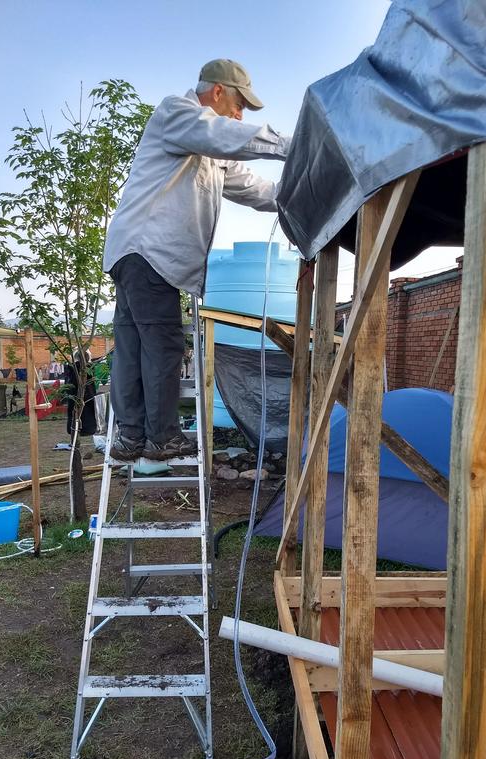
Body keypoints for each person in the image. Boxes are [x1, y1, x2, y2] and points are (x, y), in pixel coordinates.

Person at [103, 59, 290, 461]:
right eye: (239, 105)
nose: (240, 116)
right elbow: (223, 133)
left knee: (133, 345)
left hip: (135, 254)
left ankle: (131, 437)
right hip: (148, 252)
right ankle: (162, 437)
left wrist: (300, 191)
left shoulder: (209, 149)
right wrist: (297, 145)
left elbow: (259, 191)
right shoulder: (179, 113)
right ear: (218, 92)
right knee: (161, 345)